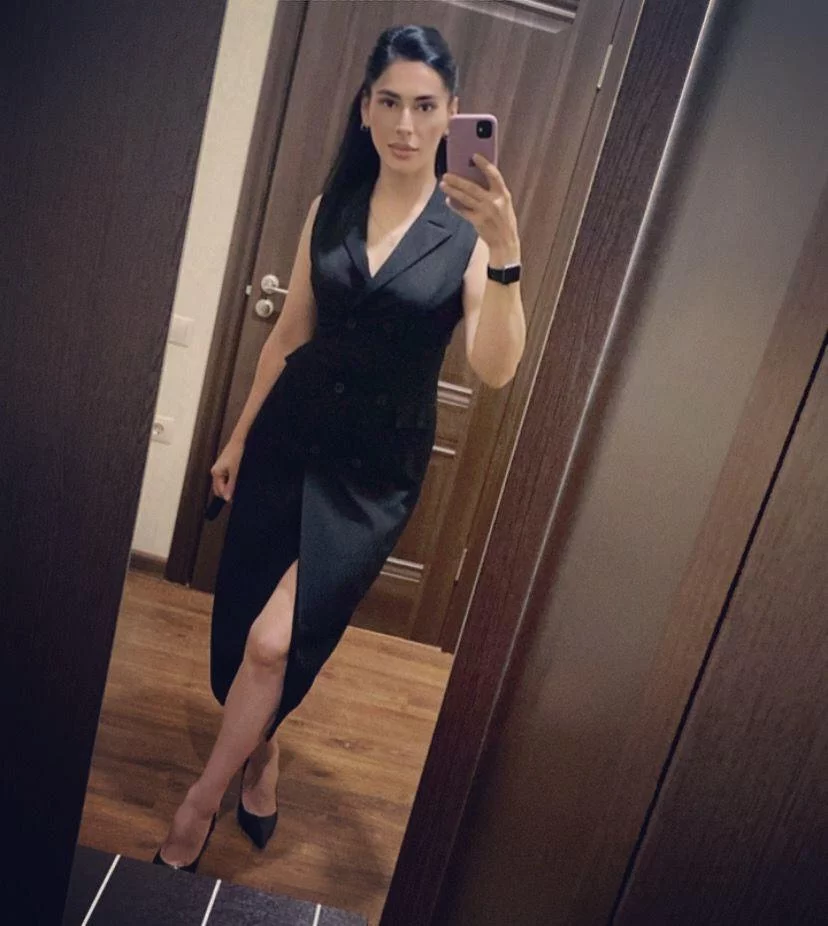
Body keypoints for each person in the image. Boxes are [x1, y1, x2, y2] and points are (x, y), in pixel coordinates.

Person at [153, 23, 525, 872]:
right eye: (389, 102)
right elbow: (290, 334)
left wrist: (507, 256)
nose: (405, 123)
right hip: (287, 439)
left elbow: (495, 368)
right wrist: (238, 438)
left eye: (424, 106)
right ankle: (263, 756)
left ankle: (197, 805)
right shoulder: (331, 210)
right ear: (365, 110)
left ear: (452, 115)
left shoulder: (468, 235)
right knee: (244, 633)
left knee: (273, 644)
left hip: (372, 476)